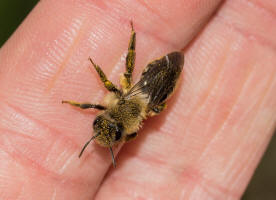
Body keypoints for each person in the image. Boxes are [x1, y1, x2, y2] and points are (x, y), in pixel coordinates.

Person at [0, 0, 275, 199]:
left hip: (153, 94)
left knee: (130, 81)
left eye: (98, 123)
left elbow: (129, 133)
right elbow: (127, 131)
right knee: (127, 79)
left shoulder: (132, 121)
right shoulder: (126, 117)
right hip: (153, 92)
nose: (100, 123)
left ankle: (134, 39)